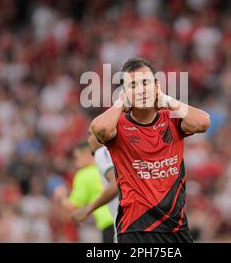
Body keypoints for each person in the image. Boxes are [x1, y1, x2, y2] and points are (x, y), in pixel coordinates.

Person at [90, 57, 211, 243]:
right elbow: (100, 129)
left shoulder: (172, 119)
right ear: (124, 92)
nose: (140, 90)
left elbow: (203, 123)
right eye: (132, 86)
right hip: (135, 229)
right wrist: (120, 103)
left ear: (156, 85)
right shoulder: (119, 125)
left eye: (145, 83)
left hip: (175, 228)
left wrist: (166, 99)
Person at [54, 141, 115, 243]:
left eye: (77, 157)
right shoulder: (107, 168)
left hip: (107, 223)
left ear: (87, 154)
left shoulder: (83, 174)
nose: (76, 161)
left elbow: (74, 206)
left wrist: (61, 197)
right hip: (122, 220)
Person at [71, 130, 119, 241]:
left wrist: (60, 198)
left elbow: (74, 205)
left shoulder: (102, 153)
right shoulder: (117, 154)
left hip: (112, 221)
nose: (88, 140)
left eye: (90, 135)